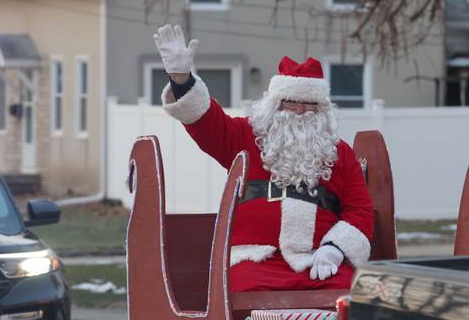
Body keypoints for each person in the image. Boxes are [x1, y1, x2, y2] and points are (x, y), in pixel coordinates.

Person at [153, 25, 374, 292]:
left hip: (317, 261)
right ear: (275, 104)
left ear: (323, 109)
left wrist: (335, 249)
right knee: (246, 294)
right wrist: (182, 80)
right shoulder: (245, 137)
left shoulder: (339, 153)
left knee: (344, 297)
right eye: (291, 102)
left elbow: (360, 210)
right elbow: (205, 120)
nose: (300, 111)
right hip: (254, 259)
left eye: (310, 104)